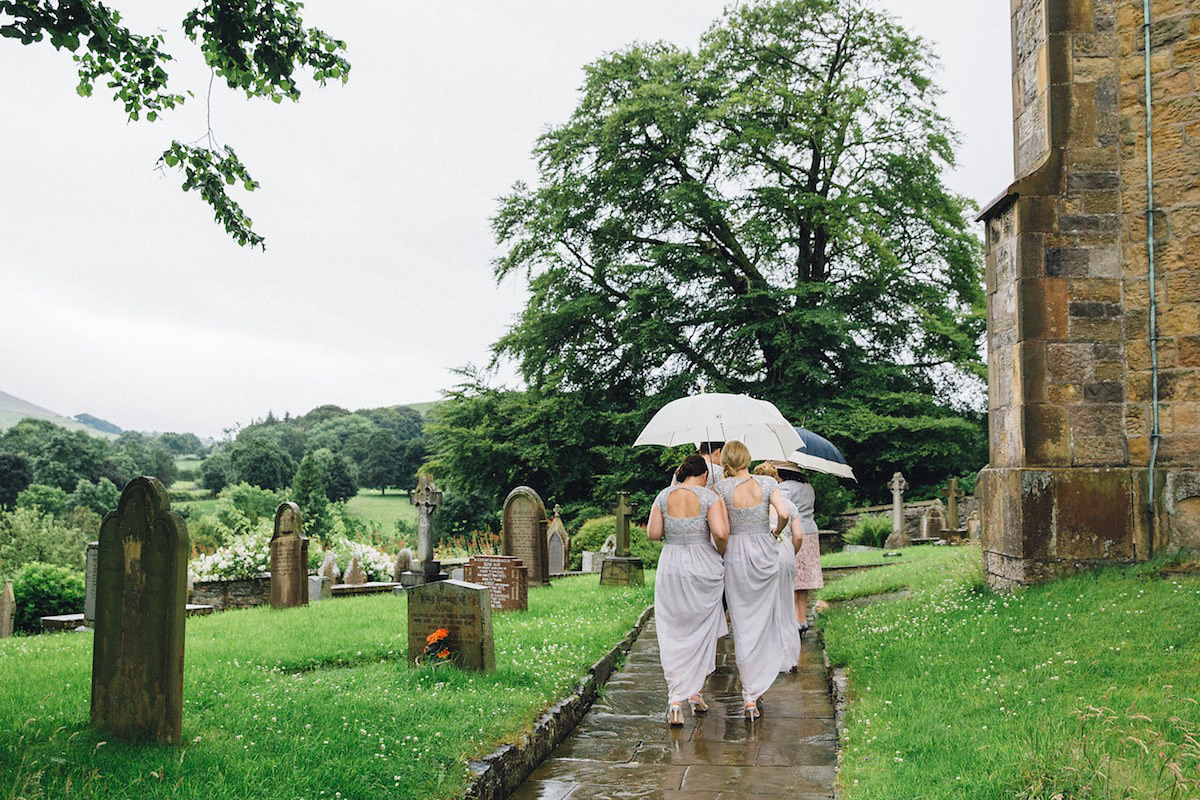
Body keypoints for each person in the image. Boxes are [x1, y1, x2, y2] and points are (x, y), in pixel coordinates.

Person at [715, 441, 802, 720]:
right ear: (747, 457)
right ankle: (759, 683)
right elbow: (785, 513)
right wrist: (776, 531)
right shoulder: (766, 483)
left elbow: (720, 529)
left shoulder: (721, 489)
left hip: (736, 554)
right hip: (765, 551)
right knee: (764, 619)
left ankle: (750, 696)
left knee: (742, 622)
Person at [647, 454, 731, 726]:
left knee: (673, 630)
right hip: (701, 565)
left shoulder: (663, 495)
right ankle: (695, 691)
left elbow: (653, 534)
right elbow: (720, 533)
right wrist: (721, 553)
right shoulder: (709, 497)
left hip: (671, 565)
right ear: (704, 475)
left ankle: (675, 700)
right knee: (703, 629)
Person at [777, 466, 823, 640]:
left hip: (794, 533)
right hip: (810, 531)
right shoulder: (808, 487)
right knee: (804, 579)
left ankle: (791, 619)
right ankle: (802, 618)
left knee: (791, 576)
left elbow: (782, 510)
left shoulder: (785, 488)